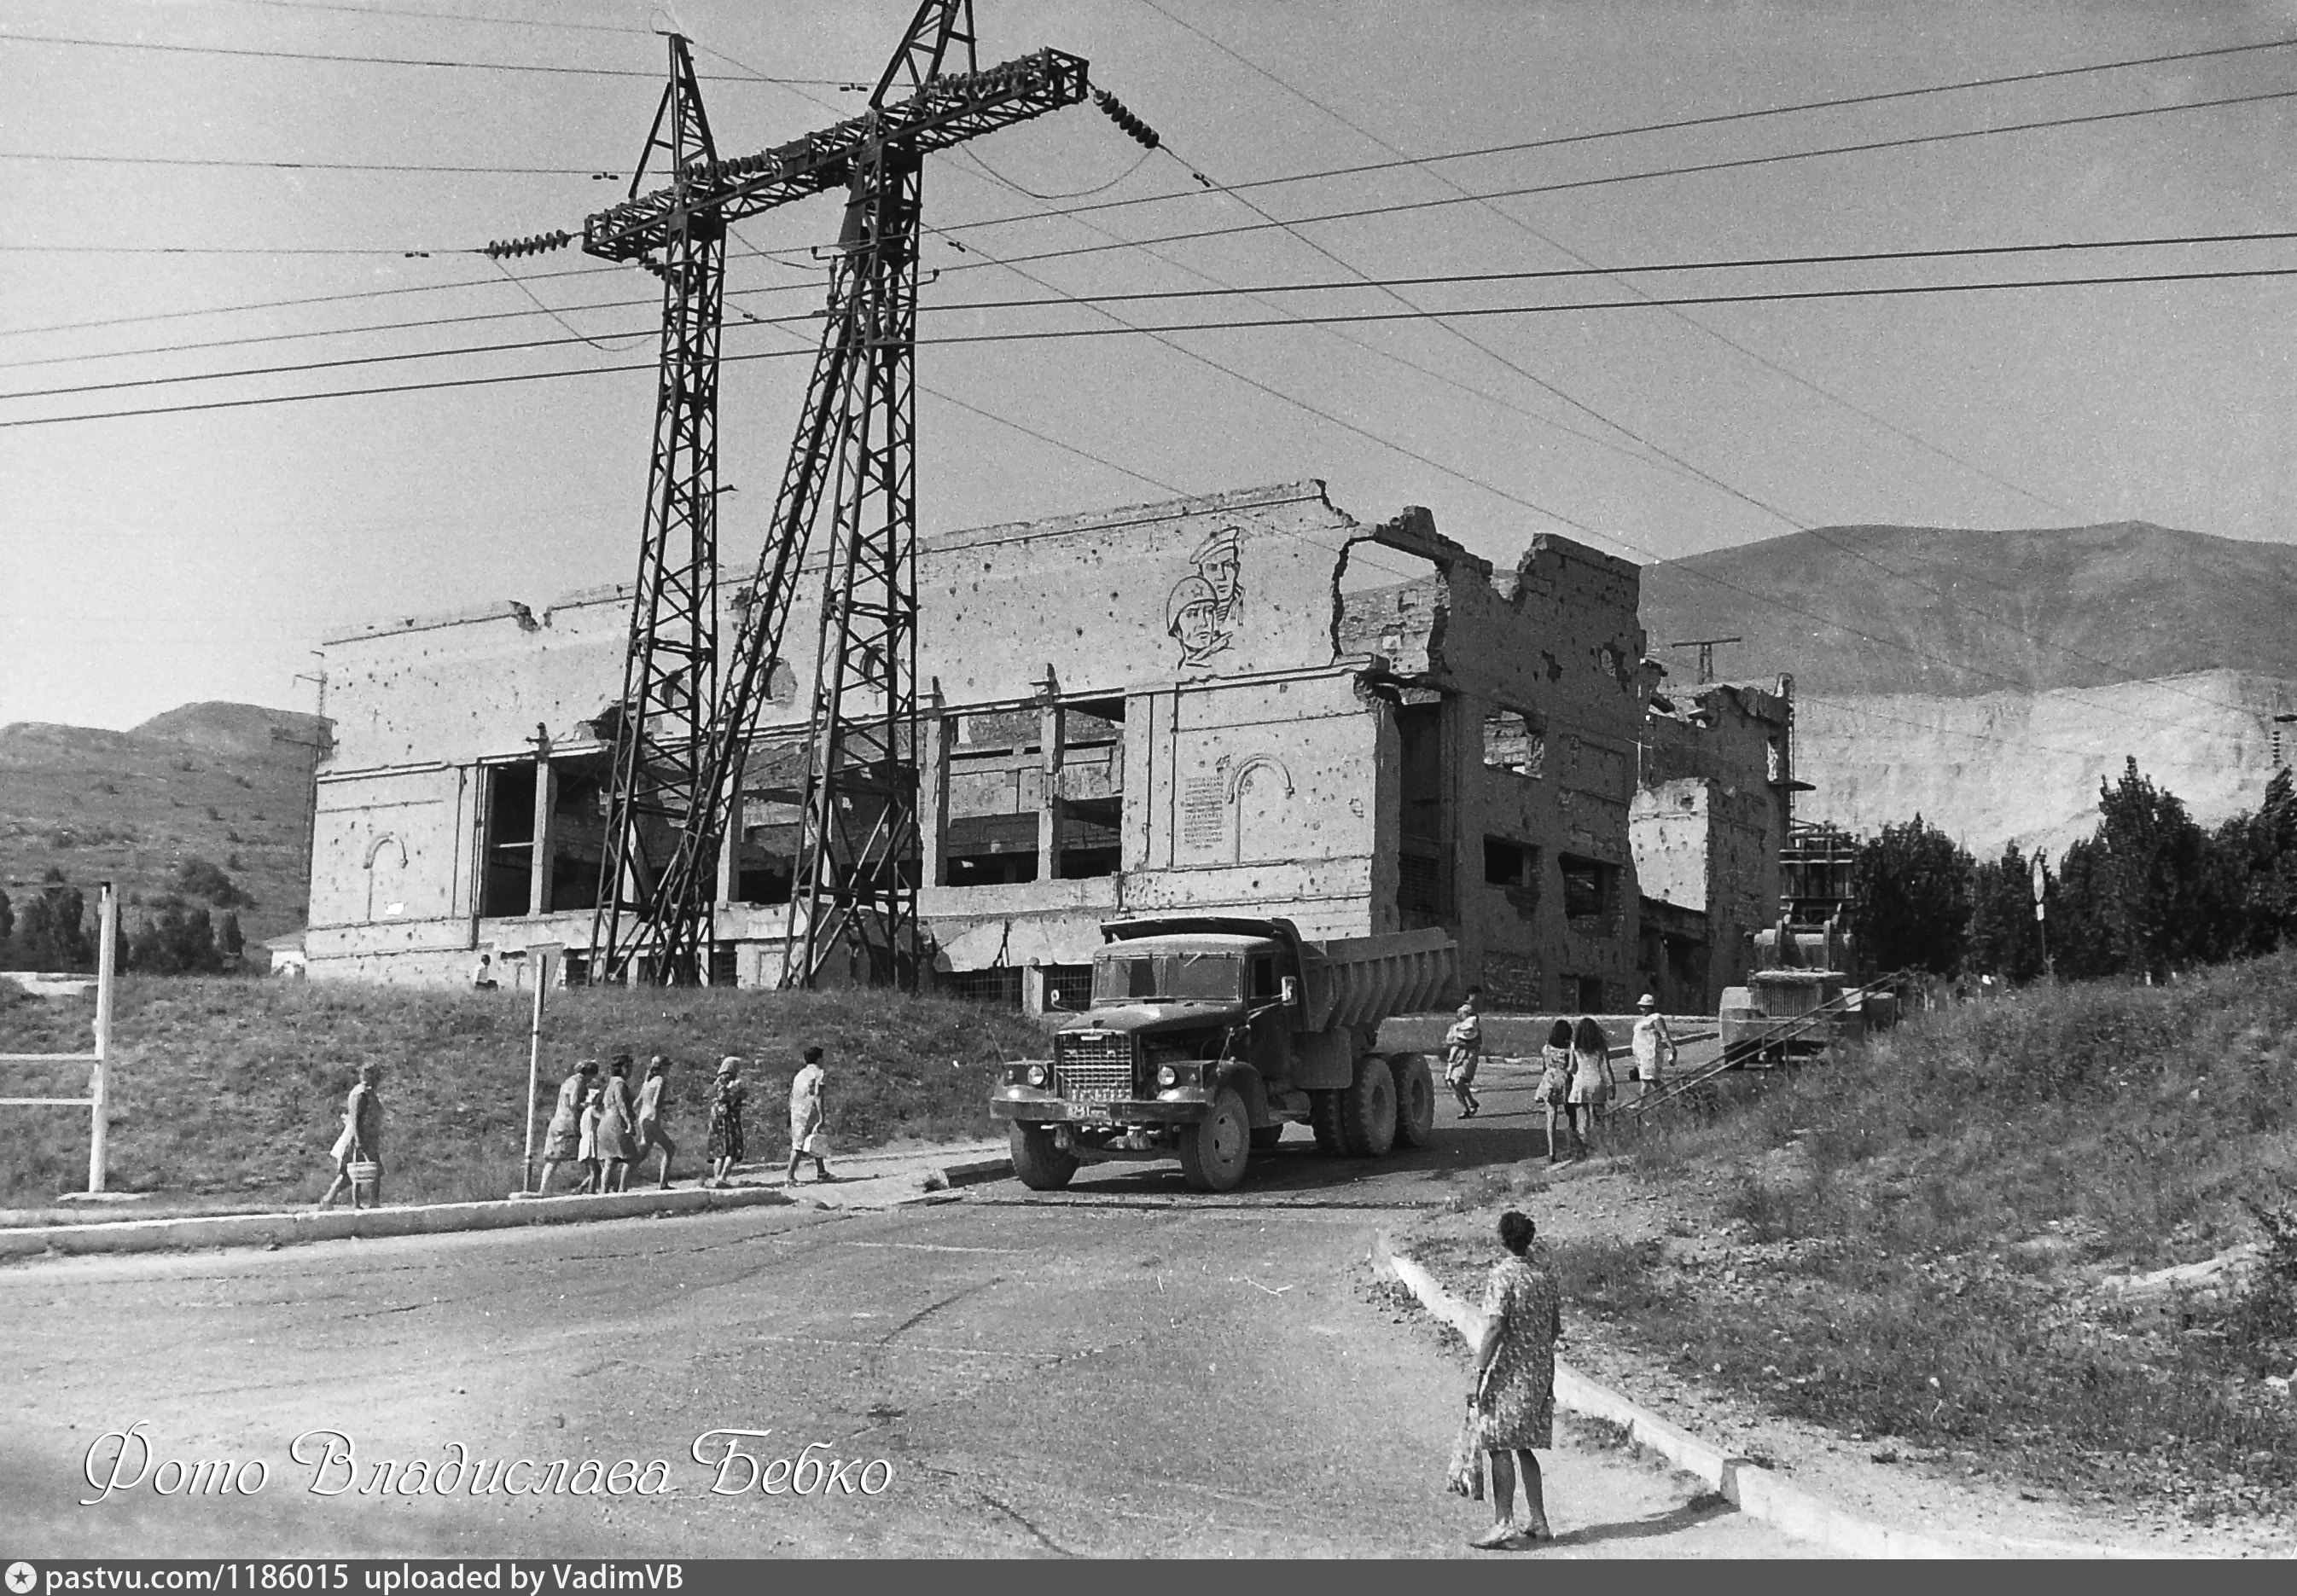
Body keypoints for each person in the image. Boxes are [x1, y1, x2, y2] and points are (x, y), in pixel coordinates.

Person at [1468, 1209, 1561, 1548]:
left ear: (1502, 1238)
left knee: (1497, 1442)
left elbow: (1495, 1326)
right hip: (1540, 1371)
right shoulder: (1544, 1276)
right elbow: (1554, 1328)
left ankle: (1504, 1522)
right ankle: (1539, 1519)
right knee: (1524, 1444)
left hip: (1510, 1371)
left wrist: (1479, 1369)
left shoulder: (1502, 1276)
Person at [317, 1062, 383, 1209]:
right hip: (359, 1138)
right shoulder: (361, 1094)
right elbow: (356, 1119)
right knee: (371, 1170)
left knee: (352, 1174)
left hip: (367, 1138)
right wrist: (360, 1141)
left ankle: (328, 1200)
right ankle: (373, 1203)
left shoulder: (368, 1092)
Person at [536, 1059, 596, 1195]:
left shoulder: (568, 1081)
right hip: (568, 1124)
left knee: (554, 1158)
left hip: (557, 1121)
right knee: (589, 1158)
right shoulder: (579, 1082)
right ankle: (586, 1186)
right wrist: (588, 1105)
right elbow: (573, 1103)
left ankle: (544, 1188)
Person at [1566, 1015, 1614, 1160]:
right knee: (1598, 1117)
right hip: (1597, 1083)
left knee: (1583, 1118)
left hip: (1580, 1083)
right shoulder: (1600, 1047)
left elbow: (1572, 1067)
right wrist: (1611, 1085)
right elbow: (1606, 1068)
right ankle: (1599, 1147)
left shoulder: (1575, 1047)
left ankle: (1584, 1148)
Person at [786, 1045, 834, 1184]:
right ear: (819, 1059)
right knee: (800, 1145)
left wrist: (791, 1112)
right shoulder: (819, 1073)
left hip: (797, 1110)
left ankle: (821, 1172)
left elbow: (792, 1095)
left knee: (814, 1140)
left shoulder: (800, 1074)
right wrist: (822, 1117)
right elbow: (818, 1095)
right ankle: (790, 1177)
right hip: (810, 1111)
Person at [595, 1054, 640, 1193]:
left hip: (604, 1123)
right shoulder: (620, 1083)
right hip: (616, 1123)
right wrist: (629, 1123)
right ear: (624, 1068)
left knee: (610, 1160)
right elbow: (622, 1104)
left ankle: (604, 1191)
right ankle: (622, 1189)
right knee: (631, 1158)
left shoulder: (610, 1083)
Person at [632, 1055, 677, 1191]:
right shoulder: (661, 1081)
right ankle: (663, 1183)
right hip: (653, 1118)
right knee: (669, 1149)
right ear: (663, 1067)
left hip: (643, 1118)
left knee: (644, 1151)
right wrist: (668, 1103)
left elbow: (637, 1102)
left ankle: (622, 1178)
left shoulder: (647, 1082)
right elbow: (657, 1102)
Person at [705, 1056, 747, 1187]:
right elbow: (725, 1096)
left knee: (719, 1151)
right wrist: (738, 1093)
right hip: (729, 1117)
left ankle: (717, 1178)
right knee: (732, 1150)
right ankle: (723, 1177)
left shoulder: (717, 1081)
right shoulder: (731, 1080)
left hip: (716, 1117)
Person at [1630, 994, 1677, 1107]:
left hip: (1651, 1054)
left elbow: (1664, 1034)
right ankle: (1669, 1101)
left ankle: (1640, 1105)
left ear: (1651, 1007)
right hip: (1642, 1054)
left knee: (1646, 1080)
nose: (1642, 1009)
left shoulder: (1656, 1018)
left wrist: (1672, 1049)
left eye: (1645, 1006)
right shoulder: (1642, 1020)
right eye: (1641, 1006)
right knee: (1654, 1080)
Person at [1444, 988, 1484, 1117]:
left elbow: (1477, 1039)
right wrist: (1455, 1043)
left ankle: (1471, 1103)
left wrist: (1467, 1046)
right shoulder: (1459, 1022)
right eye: (1475, 997)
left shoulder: (1474, 1020)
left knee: (1458, 1081)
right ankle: (1466, 1108)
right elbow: (1454, 1036)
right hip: (1457, 1053)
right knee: (1452, 1082)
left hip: (1469, 1052)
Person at [1538, 1019, 1574, 1163]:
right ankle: (1572, 1146)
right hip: (1565, 1080)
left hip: (1549, 1080)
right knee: (1571, 1115)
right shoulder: (1569, 1049)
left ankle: (1552, 1151)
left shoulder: (1546, 1048)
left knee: (1551, 1118)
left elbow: (1544, 1067)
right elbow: (1572, 1067)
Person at [574, 1080, 605, 1194]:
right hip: (591, 1142)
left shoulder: (586, 1111)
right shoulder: (592, 1110)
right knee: (595, 1171)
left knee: (595, 1170)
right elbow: (602, 1118)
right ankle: (590, 1191)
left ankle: (581, 1188)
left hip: (586, 1141)